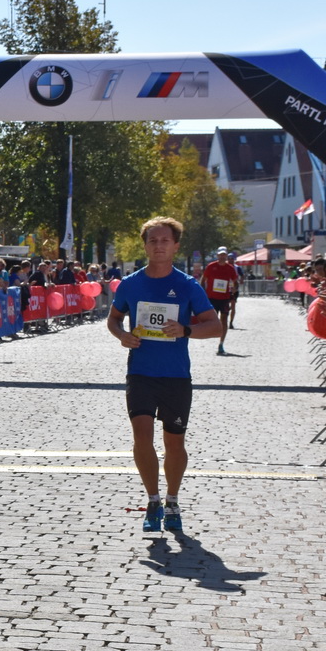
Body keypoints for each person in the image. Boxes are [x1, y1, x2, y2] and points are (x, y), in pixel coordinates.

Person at [107, 216, 221, 534]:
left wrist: (185, 329)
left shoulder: (187, 285)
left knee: (174, 442)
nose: (159, 245)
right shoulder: (130, 284)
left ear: (175, 246)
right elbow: (113, 319)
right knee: (141, 437)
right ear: (145, 245)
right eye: (153, 240)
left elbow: (215, 326)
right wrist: (121, 336)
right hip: (141, 371)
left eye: (164, 240)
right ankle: (153, 499)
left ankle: (172, 499)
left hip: (175, 376)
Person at [199, 248, 241, 355]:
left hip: (224, 299)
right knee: (211, 321)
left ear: (226, 256)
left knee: (224, 320)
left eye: (224, 255)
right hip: (211, 298)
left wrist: (235, 288)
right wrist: (202, 293)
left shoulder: (230, 268)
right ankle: (202, 339)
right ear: (217, 256)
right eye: (220, 255)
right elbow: (203, 280)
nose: (222, 257)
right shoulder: (211, 266)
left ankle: (221, 344)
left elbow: (235, 282)